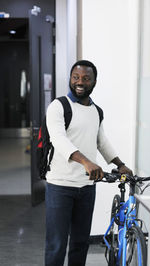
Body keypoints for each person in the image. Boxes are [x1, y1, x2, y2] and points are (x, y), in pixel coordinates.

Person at [44, 60, 133, 266]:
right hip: (60, 186)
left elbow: (101, 141)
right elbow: (58, 139)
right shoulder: (58, 106)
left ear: (94, 82)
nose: (80, 82)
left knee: (80, 243)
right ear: (70, 78)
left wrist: (120, 164)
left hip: (86, 187)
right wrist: (86, 161)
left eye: (86, 78)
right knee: (56, 245)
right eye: (76, 77)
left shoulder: (96, 111)